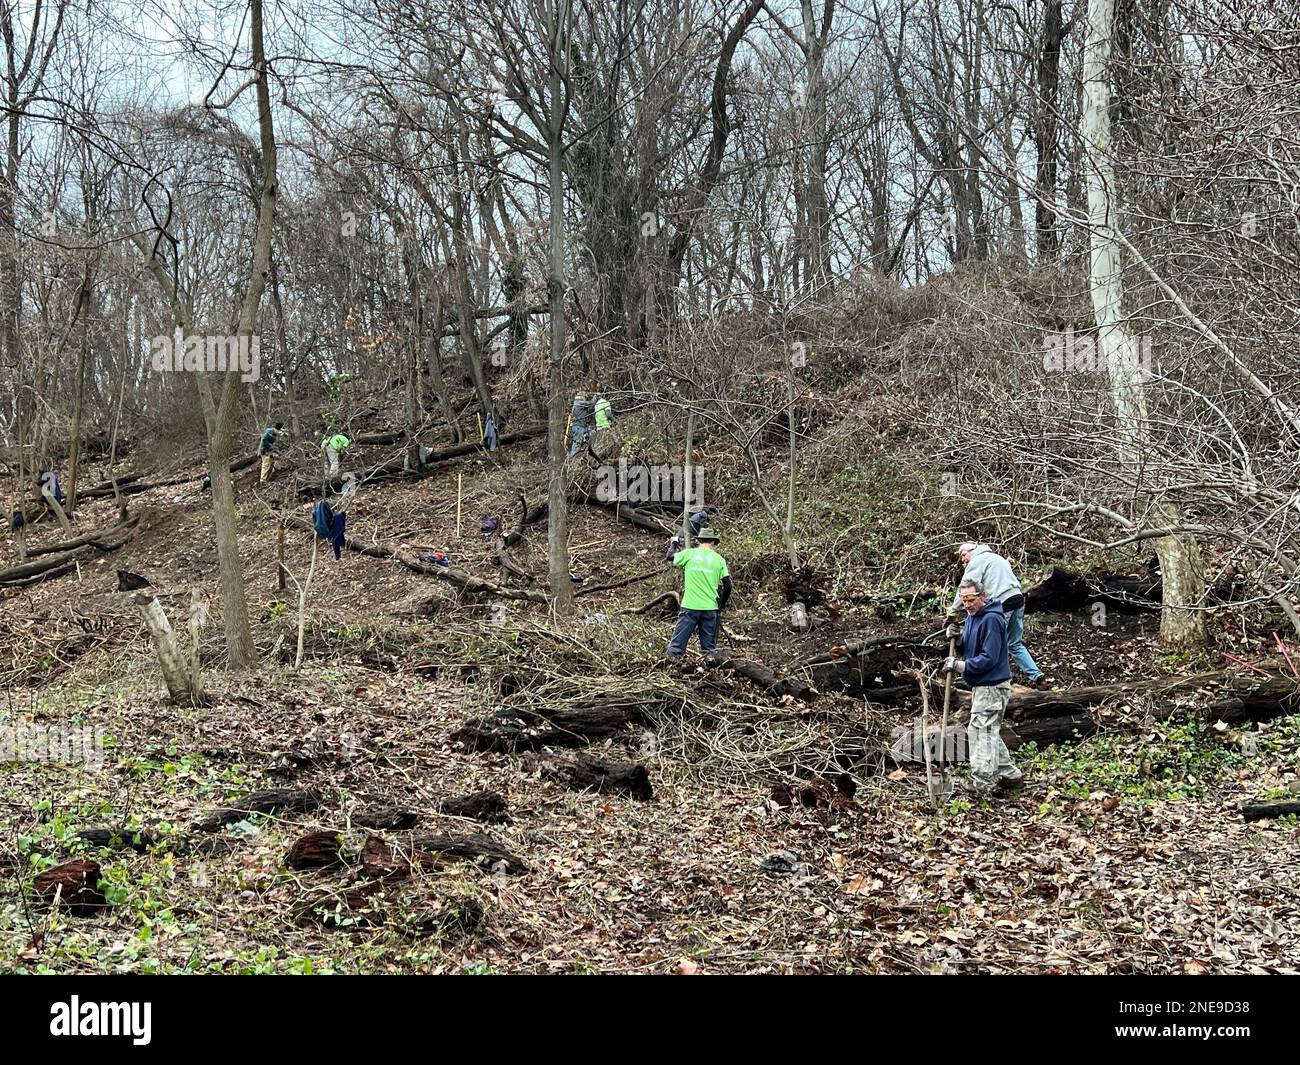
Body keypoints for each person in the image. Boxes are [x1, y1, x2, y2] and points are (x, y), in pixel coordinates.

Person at [944, 577, 1023, 797]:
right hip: (982, 686)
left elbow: (989, 657)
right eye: (963, 600)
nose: (967, 604)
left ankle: (982, 784)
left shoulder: (992, 620)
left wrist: (959, 666)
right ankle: (1011, 776)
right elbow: (971, 648)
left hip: (993, 686)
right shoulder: (971, 618)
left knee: (983, 732)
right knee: (983, 730)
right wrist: (957, 640)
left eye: (971, 599)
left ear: (982, 597)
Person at [952, 541, 1049, 689]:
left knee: (995, 644)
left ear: (973, 550)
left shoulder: (977, 560)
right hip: (1018, 600)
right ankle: (1037, 676)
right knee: (1014, 643)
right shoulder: (997, 558)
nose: (963, 559)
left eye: (963, 554)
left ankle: (999, 680)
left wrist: (952, 611)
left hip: (1003, 603)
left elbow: (966, 588)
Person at [665, 526, 732, 666]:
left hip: (690, 606)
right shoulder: (719, 560)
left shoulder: (690, 554)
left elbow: (669, 556)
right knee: (709, 651)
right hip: (710, 608)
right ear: (713, 542)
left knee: (676, 647)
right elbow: (728, 586)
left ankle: (674, 667)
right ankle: (708, 669)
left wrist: (674, 543)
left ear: (699, 540)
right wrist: (721, 605)